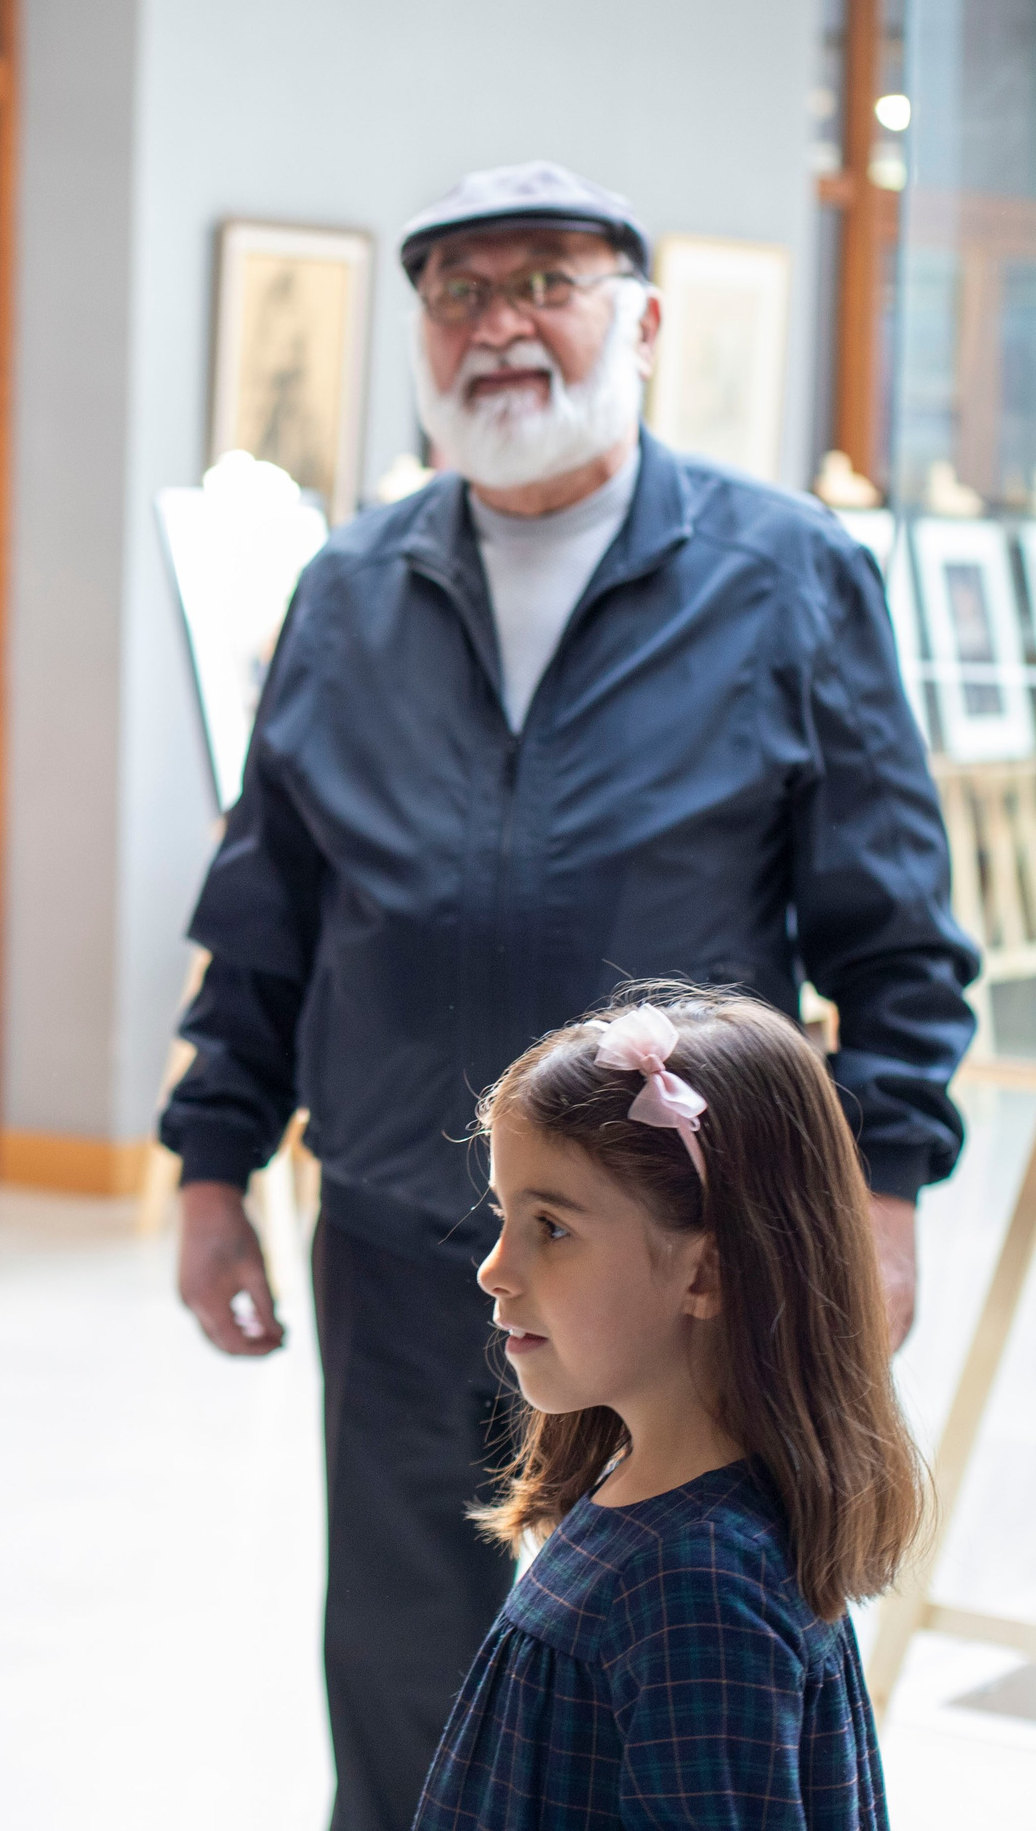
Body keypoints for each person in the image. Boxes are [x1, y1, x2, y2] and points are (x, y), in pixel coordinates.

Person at [158, 161, 976, 1830]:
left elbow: (893, 926)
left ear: (645, 323)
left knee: (686, 1652)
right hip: (401, 1234)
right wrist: (207, 1167)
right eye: (459, 290)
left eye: (549, 280)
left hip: (684, 1259)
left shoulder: (785, 572)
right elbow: (267, 913)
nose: (501, 323)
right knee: (402, 1671)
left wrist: (881, 1185)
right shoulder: (350, 589)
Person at [416, 986, 919, 1828]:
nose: (492, 1268)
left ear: (706, 1273)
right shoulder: (647, 1500)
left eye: (552, 1227)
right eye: (505, 1215)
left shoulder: (699, 1586)